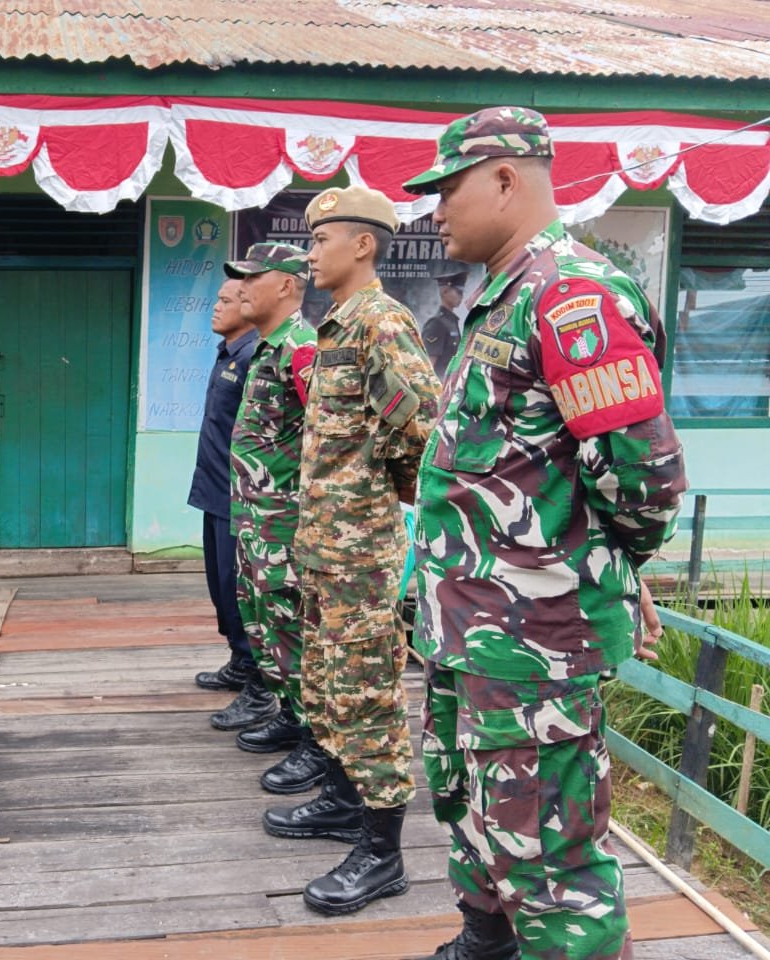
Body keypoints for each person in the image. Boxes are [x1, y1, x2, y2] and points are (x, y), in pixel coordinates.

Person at [403, 106, 688, 959]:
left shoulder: (572, 296)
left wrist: (601, 569)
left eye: (447, 189)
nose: (435, 211)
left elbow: (646, 480)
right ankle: (484, 942)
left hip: (536, 645)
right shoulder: (505, 296)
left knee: (551, 861)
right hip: (475, 632)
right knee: (476, 812)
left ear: (504, 180)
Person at [268, 185, 441, 917]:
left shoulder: (382, 323)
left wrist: (377, 506)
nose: (311, 253)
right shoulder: (338, 322)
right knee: (330, 685)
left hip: (361, 554)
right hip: (325, 550)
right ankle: (344, 801)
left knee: (367, 694)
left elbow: (424, 433)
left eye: (321, 239)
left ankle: (383, 853)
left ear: (363, 244)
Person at [218, 242, 329, 794]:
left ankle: (316, 738)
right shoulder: (267, 348)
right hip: (254, 522)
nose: (241, 289)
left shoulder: (301, 349)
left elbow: (326, 440)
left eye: (252, 279)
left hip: (285, 526)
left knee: (292, 631)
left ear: (286, 285)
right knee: (265, 628)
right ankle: (288, 711)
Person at [191, 279, 261, 696]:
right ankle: (239, 660)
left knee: (239, 590)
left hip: (240, 500)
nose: (216, 307)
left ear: (248, 306)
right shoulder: (228, 354)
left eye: (226, 300)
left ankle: (255, 675)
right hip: (215, 492)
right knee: (220, 587)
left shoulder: (254, 357)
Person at [422, 264, 467, 378]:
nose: (461, 296)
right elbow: (428, 366)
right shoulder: (436, 323)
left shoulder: (451, 321)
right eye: (458, 292)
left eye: (462, 293)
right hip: (439, 384)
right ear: (445, 291)